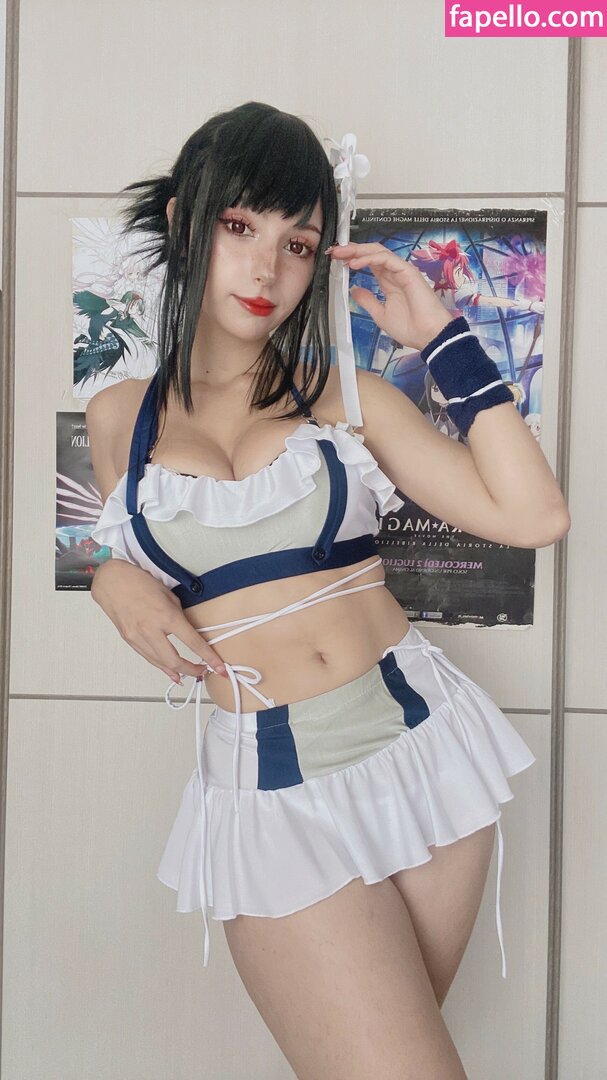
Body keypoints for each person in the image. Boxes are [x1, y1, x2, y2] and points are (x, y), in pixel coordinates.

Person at [86, 101, 568, 1080]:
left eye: (298, 244)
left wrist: (442, 337)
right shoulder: (117, 418)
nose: (266, 269)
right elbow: (128, 545)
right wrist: (108, 580)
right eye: (240, 227)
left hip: (425, 751)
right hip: (274, 792)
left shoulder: (347, 398)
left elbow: (534, 516)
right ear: (185, 221)